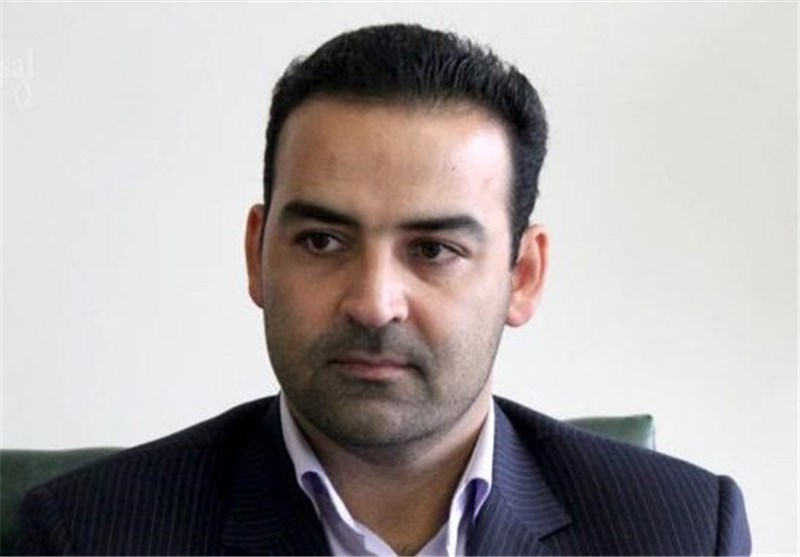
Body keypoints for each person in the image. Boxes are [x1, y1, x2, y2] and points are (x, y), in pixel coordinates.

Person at [17, 23, 751, 556]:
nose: (373, 302)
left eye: (433, 250)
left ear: (522, 276)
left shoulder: (680, 531)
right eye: (322, 241)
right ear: (257, 255)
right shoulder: (87, 535)